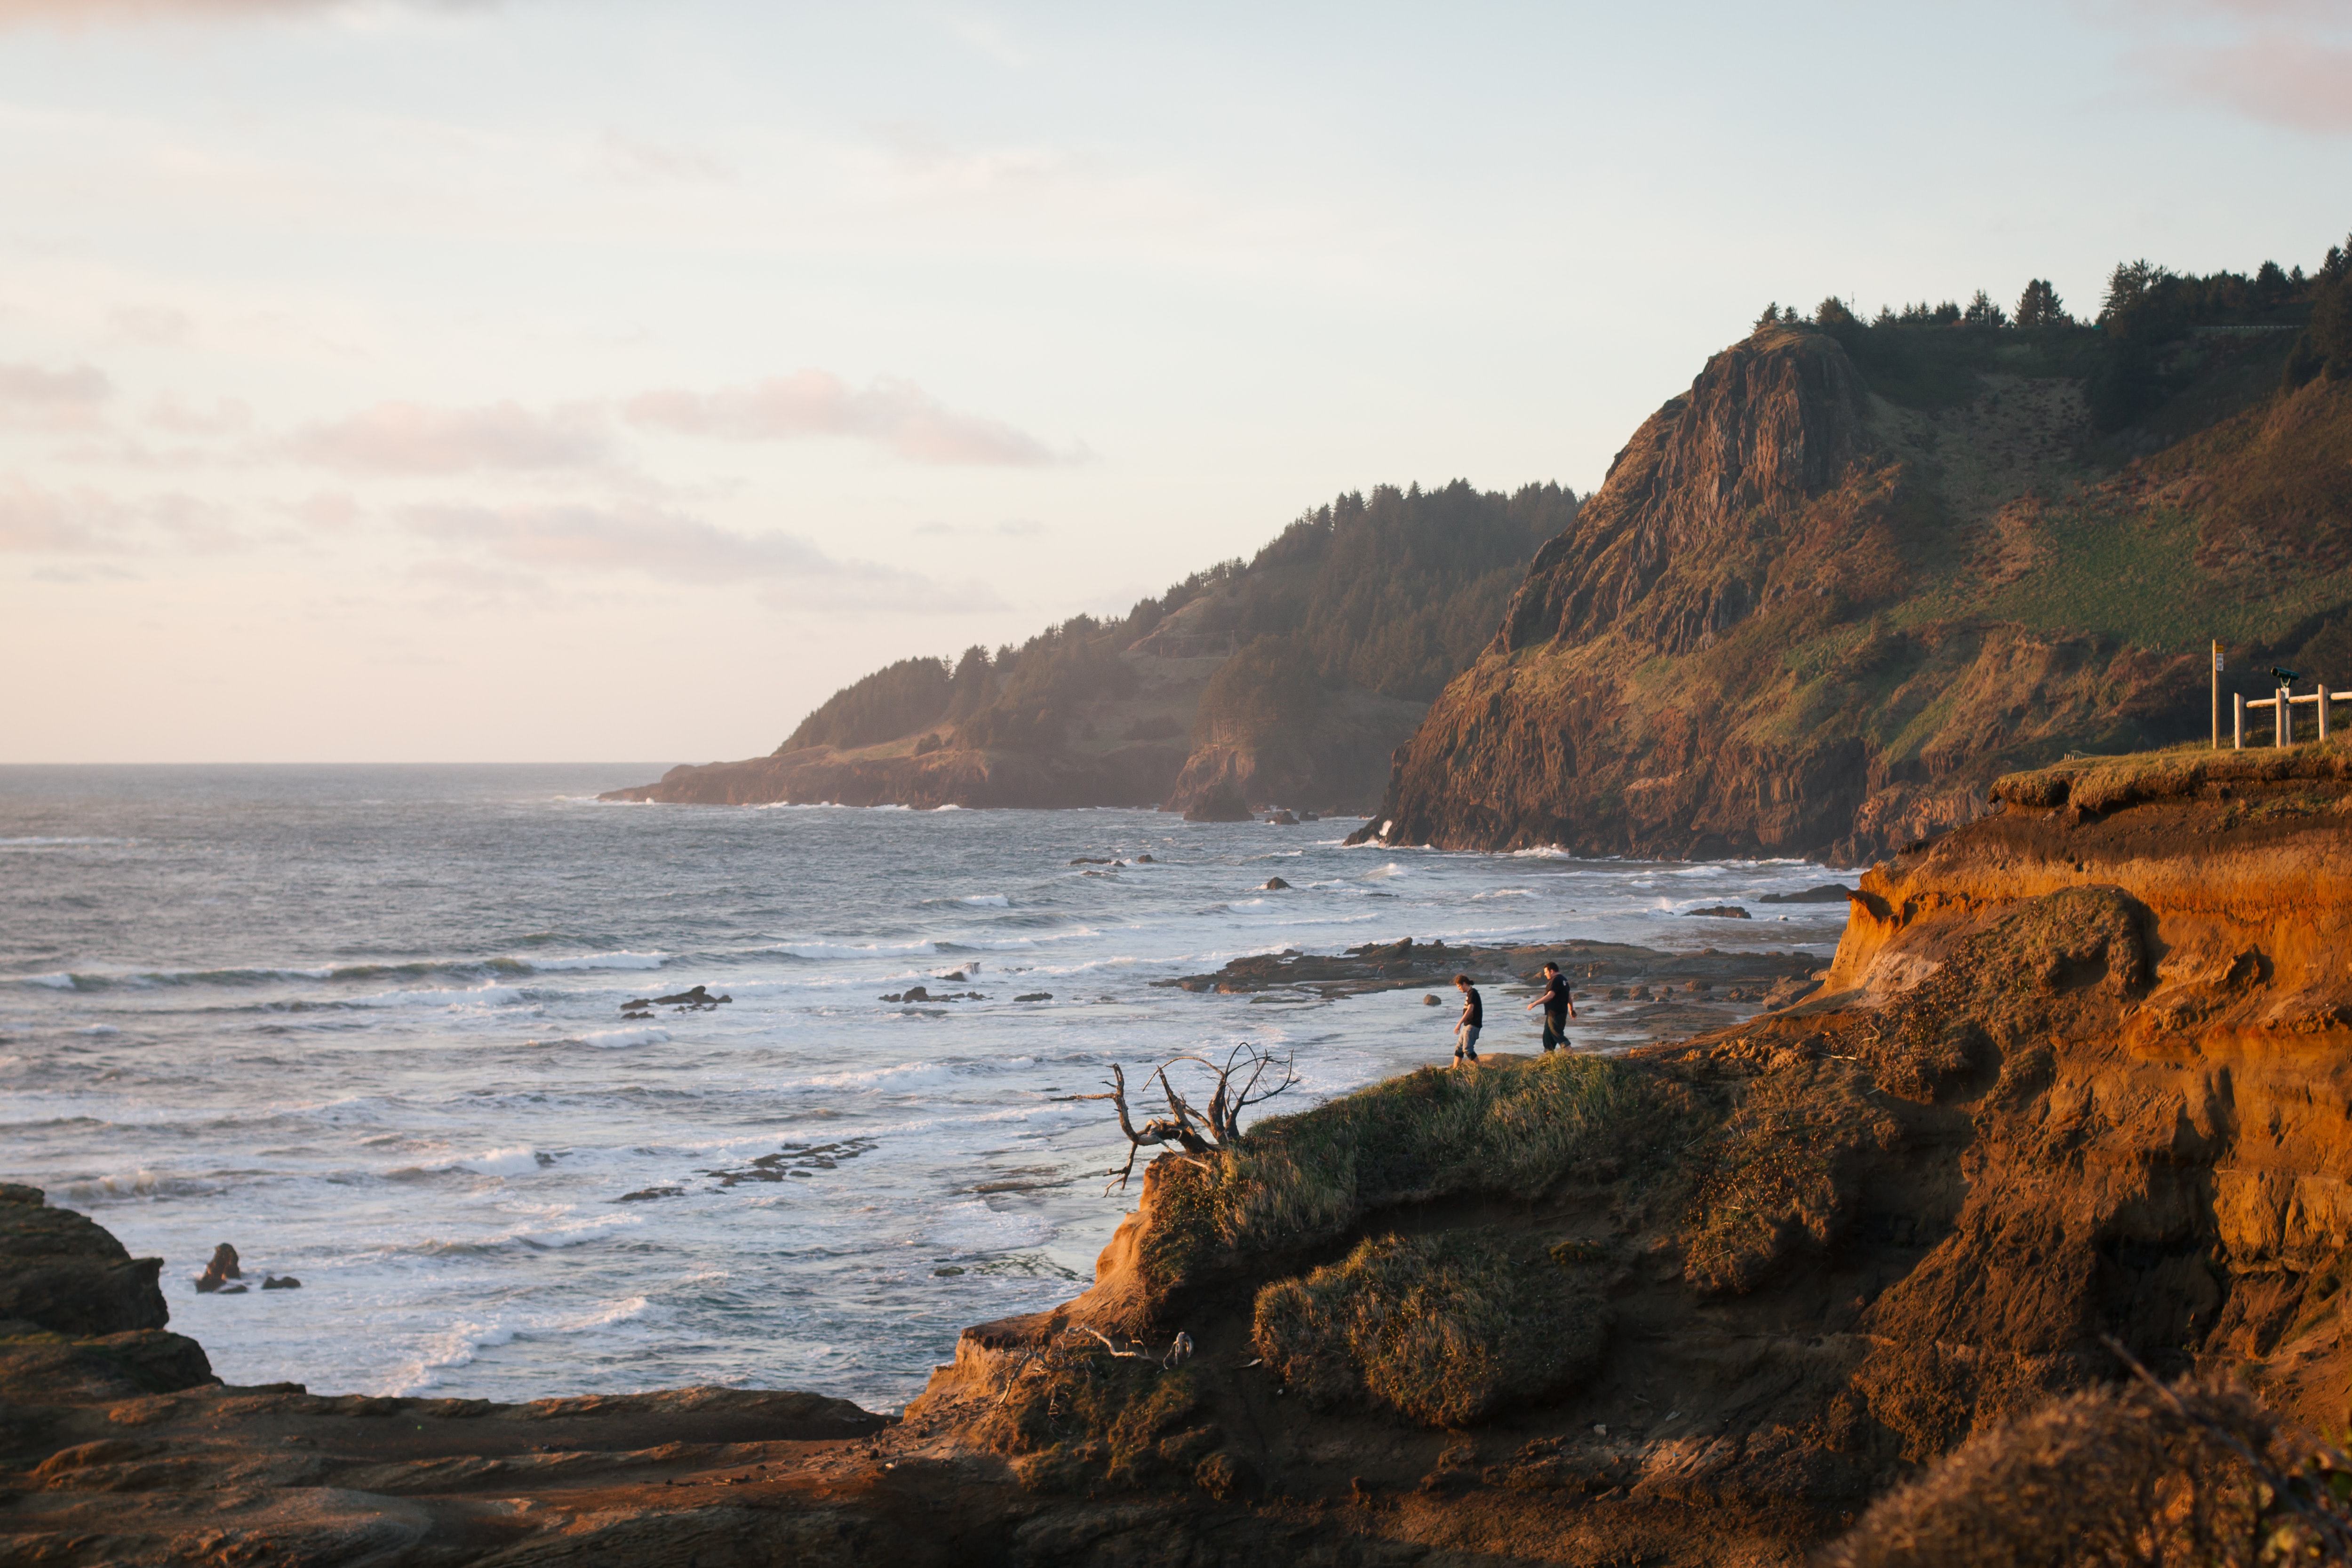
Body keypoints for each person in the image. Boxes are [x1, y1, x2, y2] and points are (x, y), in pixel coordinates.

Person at [1525, 959, 1577, 1052]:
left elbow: (1550, 996)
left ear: (1552, 971)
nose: (1545, 974)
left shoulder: (1556, 980)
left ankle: (1570, 1054)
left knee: (1557, 1034)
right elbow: (1569, 996)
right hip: (1557, 1013)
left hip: (1555, 1013)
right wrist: (1571, 1010)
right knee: (1547, 1037)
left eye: (1546, 972)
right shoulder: (1563, 980)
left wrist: (1535, 1003)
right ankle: (1548, 1058)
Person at [1451, 973, 1482, 1067]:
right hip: (1467, 1025)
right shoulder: (1470, 994)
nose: (1459, 988)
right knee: (1459, 1049)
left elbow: (1471, 1009)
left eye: (1459, 986)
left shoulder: (1473, 993)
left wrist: (1459, 1023)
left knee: (1468, 1049)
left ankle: (1481, 1068)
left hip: (1472, 1025)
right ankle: (1455, 1070)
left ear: (1464, 984)